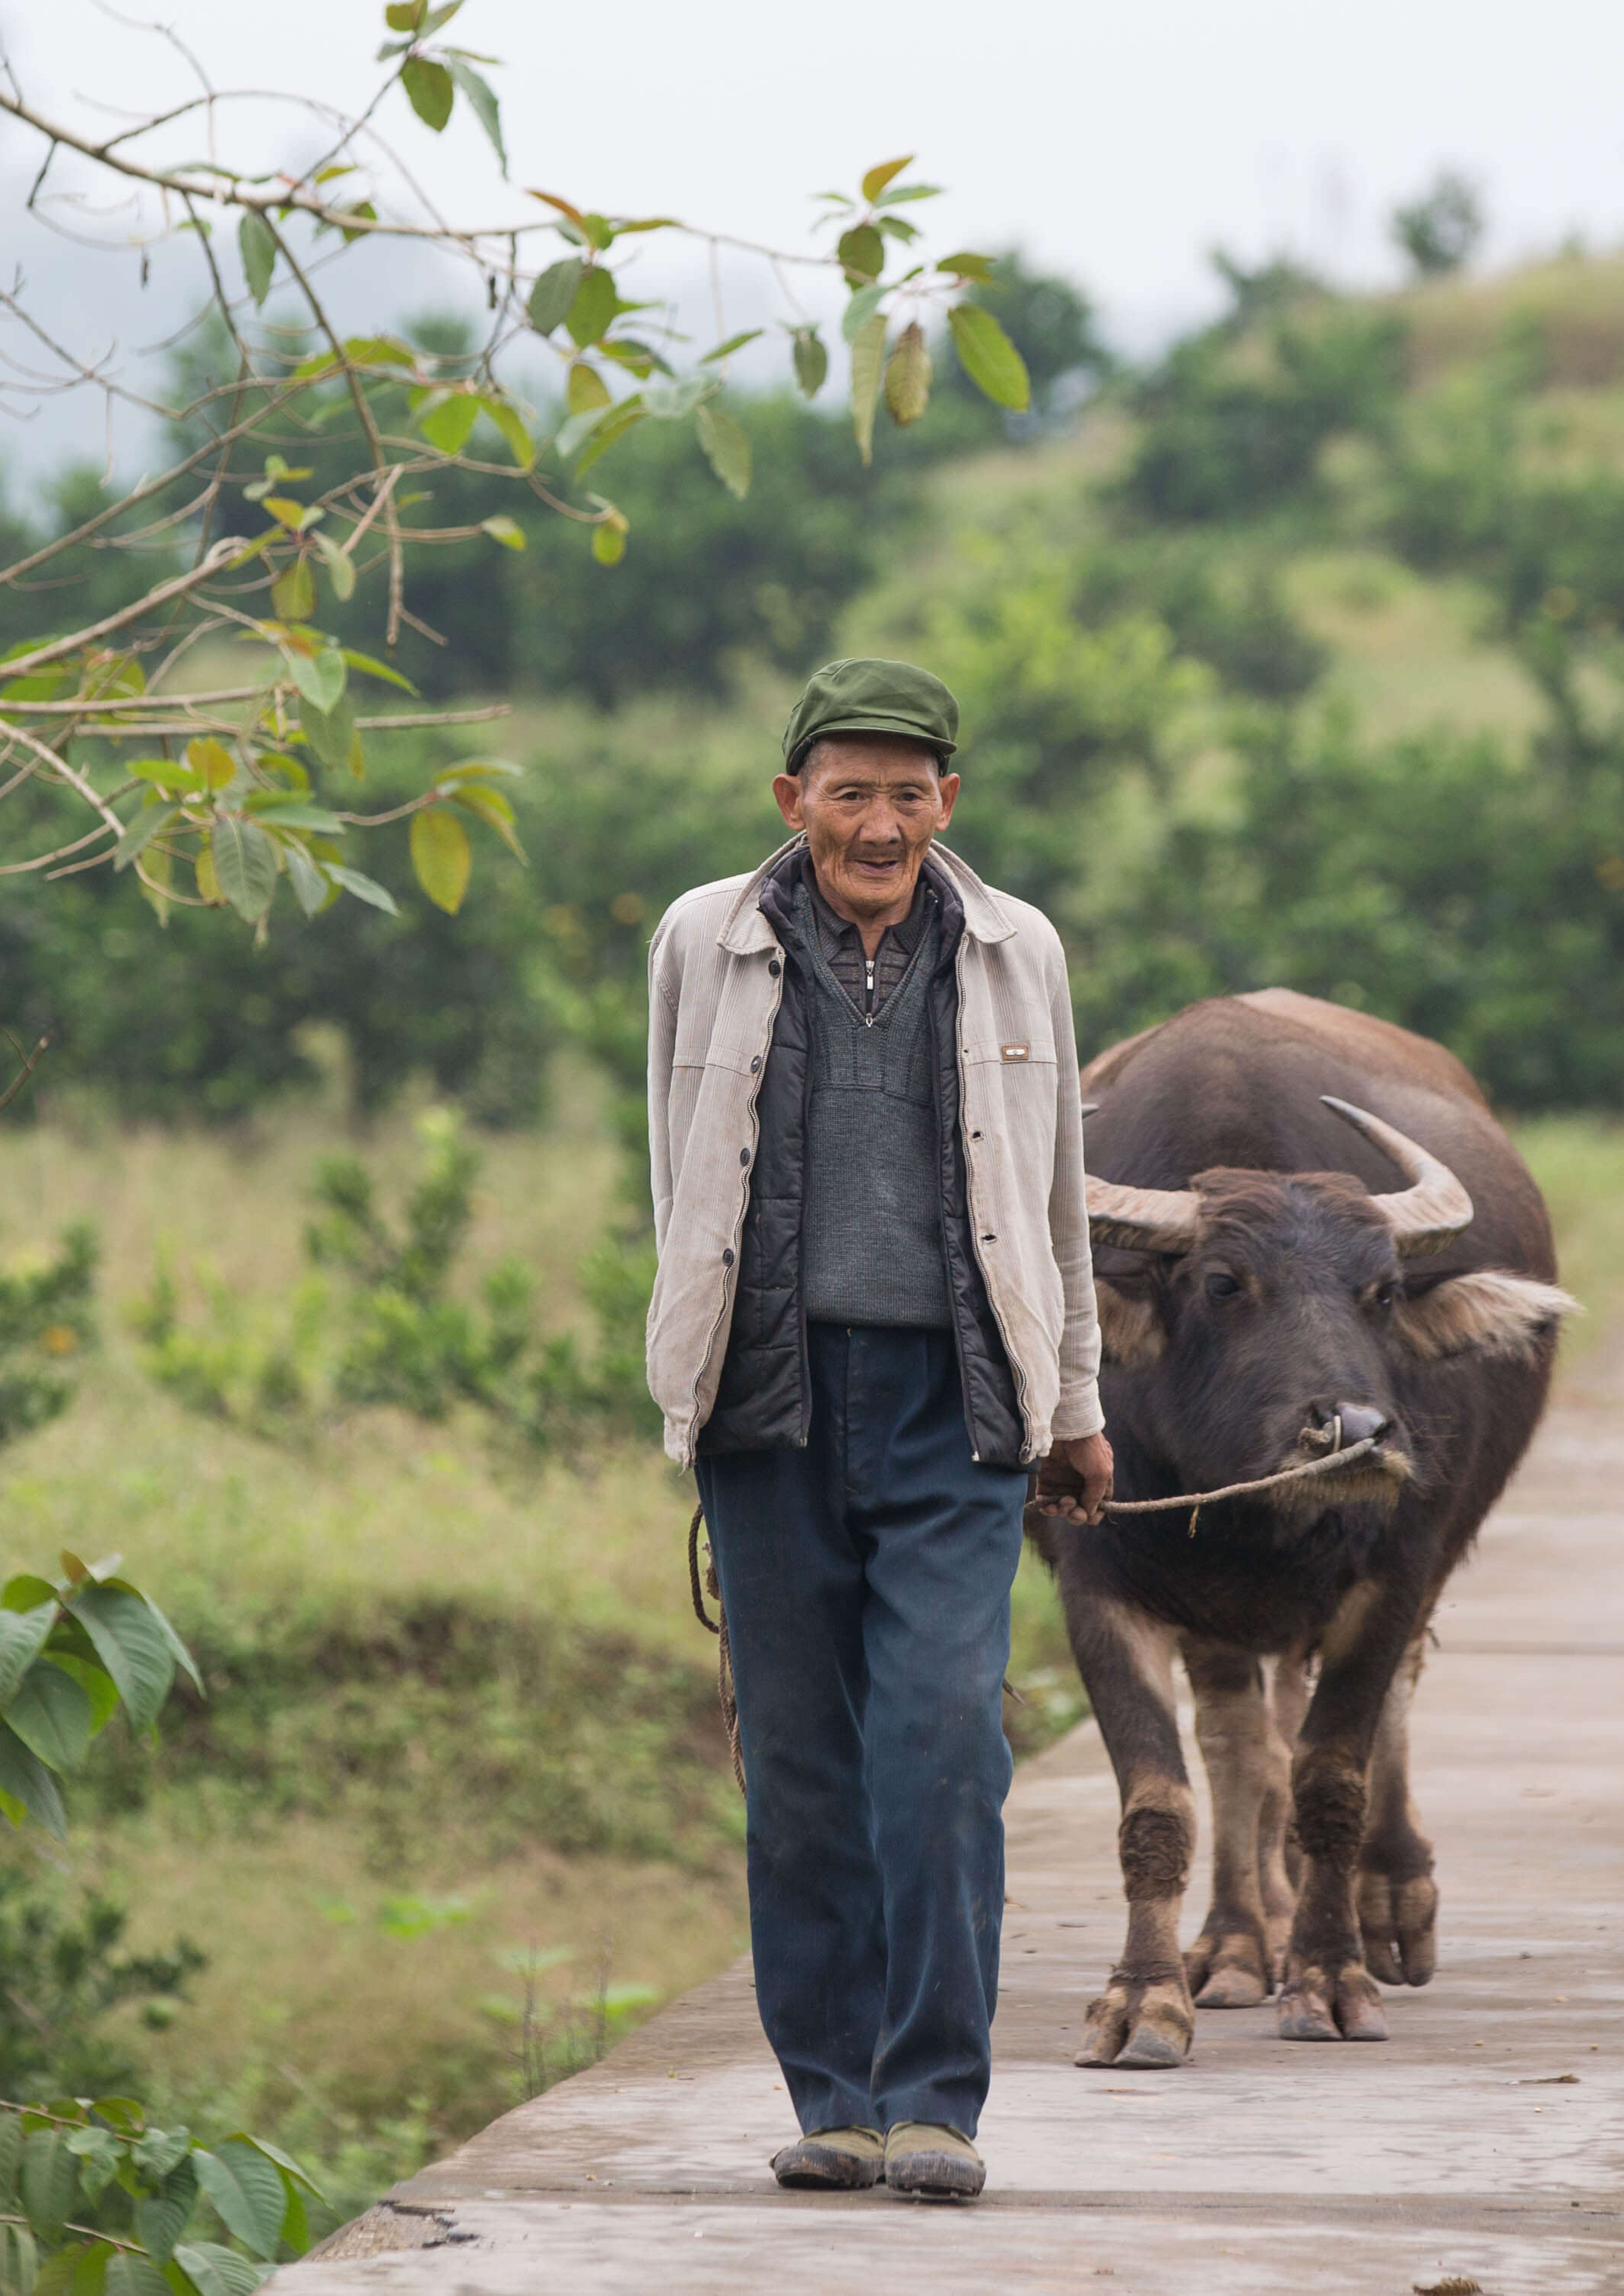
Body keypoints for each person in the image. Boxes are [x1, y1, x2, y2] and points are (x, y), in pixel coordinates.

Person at [642, 657, 1113, 2202]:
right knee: (798, 1762)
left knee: (940, 1744)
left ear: (948, 804)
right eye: (851, 789)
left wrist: (1080, 1405)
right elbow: (680, 1175)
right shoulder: (702, 941)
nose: (882, 819)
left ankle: (937, 2099)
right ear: (794, 801)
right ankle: (831, 2096)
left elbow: (1053, 1201)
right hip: (767, 1404)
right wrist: (690, 1375)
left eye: (912, 792)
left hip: (961, 1403)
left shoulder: (1013, 949)